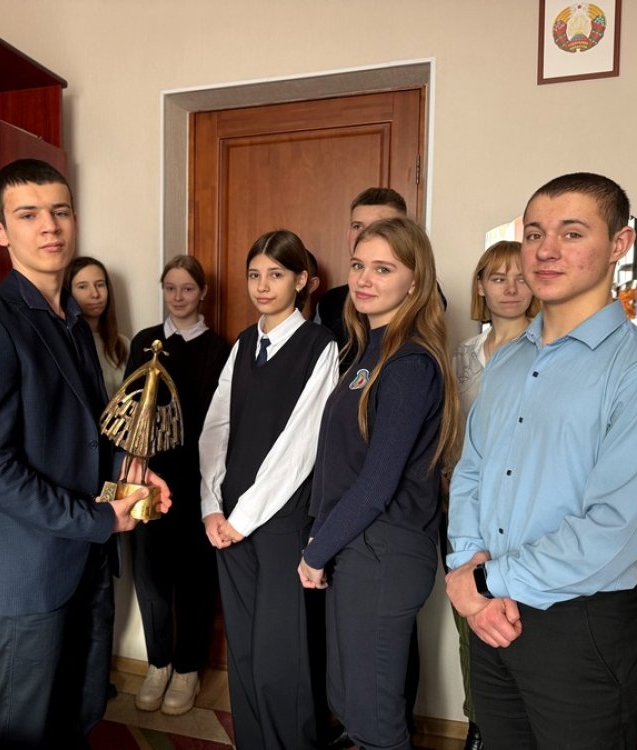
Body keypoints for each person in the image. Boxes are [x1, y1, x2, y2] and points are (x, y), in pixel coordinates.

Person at [445, 173, 637, 749]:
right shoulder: (508, 362)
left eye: (573, 233)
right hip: (488, 613)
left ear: (618, 245)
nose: (546, 250)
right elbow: (472, 471)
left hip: (579, 631)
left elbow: (615, 528)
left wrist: (483, 580)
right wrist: (468, 565)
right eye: (535, 234)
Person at [0, 158, 170, 749]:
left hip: (88, 563)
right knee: (21, 732)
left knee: (81, 713)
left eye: (60, 211)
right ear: (0, 232)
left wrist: (132, 470)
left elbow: (87, 435)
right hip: (30, 573)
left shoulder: (74, 322)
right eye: (28, 215)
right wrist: (97, 519)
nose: (50, 226)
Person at [298, 217, 460, 750]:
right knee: (348, 703)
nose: (364, 279)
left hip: (384, 551)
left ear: (415, 282)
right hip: (357, 545)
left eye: (383, 269)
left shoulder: (410, 361)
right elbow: (343, 463)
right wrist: (324, 538)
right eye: (358, 265)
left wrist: (317, 551)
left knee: (374, 722)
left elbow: (377, 482)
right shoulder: (369, 349)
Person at [200, 229, 338, 749]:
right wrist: (211, 506)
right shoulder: (242, 343)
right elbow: (216, 429)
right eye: (254, 274)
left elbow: (302, 445)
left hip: (280, 522)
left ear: (301, 280)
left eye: (275, 275)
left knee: (281, 656)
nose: (262, 285)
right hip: (227, 520)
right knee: (244, 651)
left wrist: (242, 517)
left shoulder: (321, 347)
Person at [126, 255, 230, 715]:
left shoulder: (218, 348)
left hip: (196, 479)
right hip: (148, 479)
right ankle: (158, 664)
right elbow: (129, 407)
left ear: (202, 292)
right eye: (170, 288)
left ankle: (187, 669)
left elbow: (218, 422)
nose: (178, 297)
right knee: (149, 578)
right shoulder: (145, 341)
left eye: (188, 288)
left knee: (193, 580)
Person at [450, 240, 538, 750]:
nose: (509, 288)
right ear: (481, 287)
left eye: (520, 277)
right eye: (497, 278)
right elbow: (450, 431)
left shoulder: (547, 347)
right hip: (464, 507)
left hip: (519, 505)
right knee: (470, 614)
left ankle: (515, 726)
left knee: (517, 617)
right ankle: (478, 723)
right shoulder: (463, 355)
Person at [316, 187, 408, 351]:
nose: (365, 235)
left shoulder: (423, 297)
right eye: (357, 226)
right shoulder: (329, 302)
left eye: (379, 227)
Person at [65, 256, 130, 397]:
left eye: (100, 285)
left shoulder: (123, 344)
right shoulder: (64, 343)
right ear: (69, 292)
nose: (95, 294)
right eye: (83, 287)